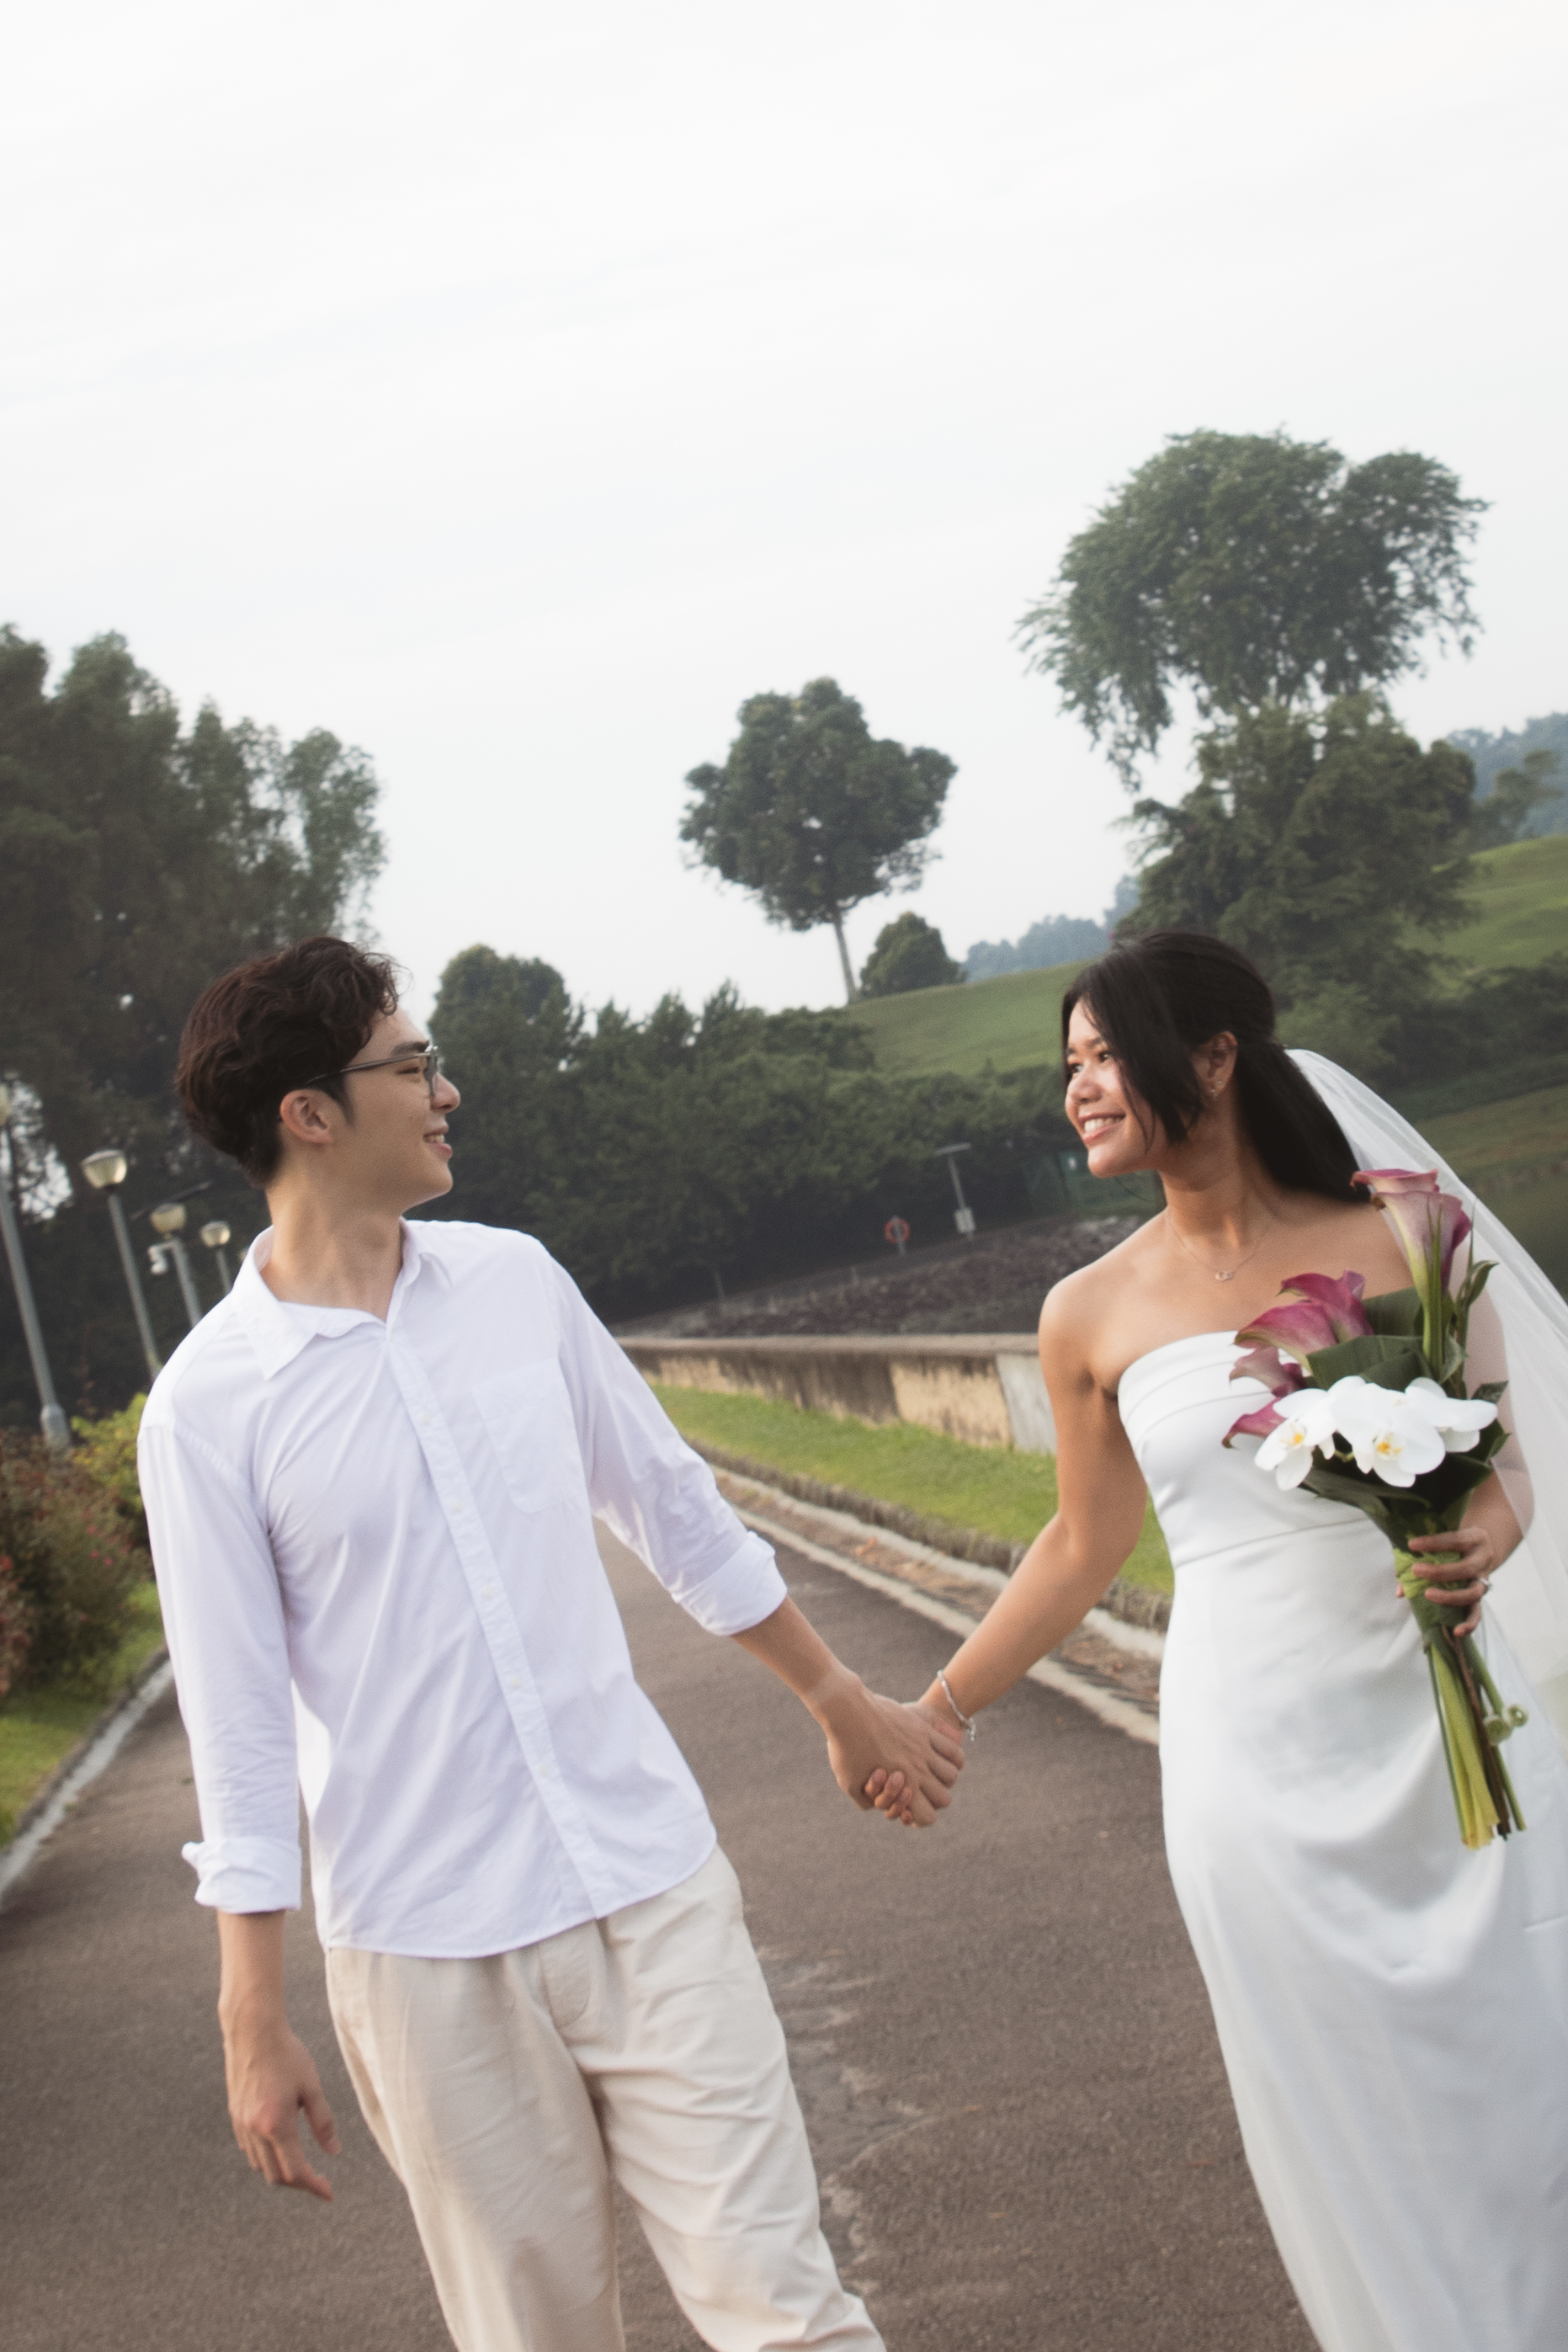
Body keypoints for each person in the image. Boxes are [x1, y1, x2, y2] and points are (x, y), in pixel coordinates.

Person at [137, 934, 964, 2352]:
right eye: (414, 1065)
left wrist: (837, 1696)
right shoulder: (207, 1408)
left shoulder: (517, 1282)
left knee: (790, 2309)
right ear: (309, 1113)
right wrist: (251, 2015)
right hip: (426, 1945)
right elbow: (241, 1732)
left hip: (647, 1882)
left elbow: (674, 1510)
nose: (445, 1090)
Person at [908, 930, 1568, 2352]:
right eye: (1067, 1064)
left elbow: (1510, 1466)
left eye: (1101, 1055)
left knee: (1523, 2063)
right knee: (1349, 2104)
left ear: (1212, 1057)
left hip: (1439, 1709)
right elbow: (1081, 1544)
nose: (1078, 1088)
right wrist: (944, 1702)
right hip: (1250, 1765)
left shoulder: (1404, 1232)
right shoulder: (1086, 1311)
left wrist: (1491, 1526)